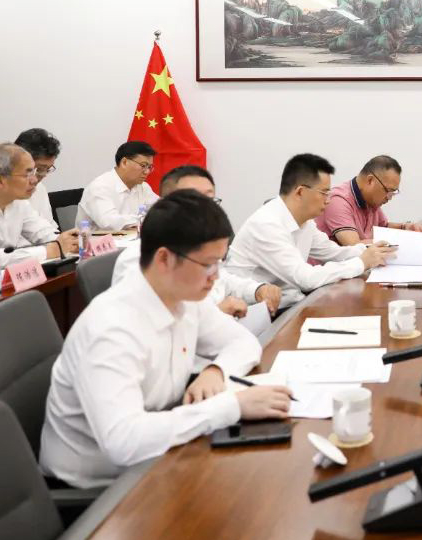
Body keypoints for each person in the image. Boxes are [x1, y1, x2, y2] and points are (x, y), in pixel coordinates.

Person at [40, 191, 293, 489]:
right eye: (207, 265)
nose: (215, 277)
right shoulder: (111, 329)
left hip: (157, 453)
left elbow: (243, 343)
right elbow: (124, 441)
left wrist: (216, 371)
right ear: (164, 259)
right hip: (98, 489)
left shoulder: (183, 298)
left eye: (219, 263)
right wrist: (230, 407)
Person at [226, 154, 394, 307]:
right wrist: (361, 262)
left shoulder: (305, 223)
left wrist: (371, 251)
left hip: (291, 303)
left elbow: (334, 252)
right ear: (300, 192)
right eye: (324, 193)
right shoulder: (267, 225)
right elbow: (305, 278)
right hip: (255, 315)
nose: (328, 200)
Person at [112, 165, 282, 316]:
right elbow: (151, 323)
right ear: (166, 205)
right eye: (194, 200)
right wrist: (216, 314)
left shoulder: (202, 246)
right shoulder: (141, 259)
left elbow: (223, 280)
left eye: (210, 200)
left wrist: (257, 290)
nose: (206, 209)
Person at [316, 155, 422, 245]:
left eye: (393, 192)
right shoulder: (338, 201)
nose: (389, 197)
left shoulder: (371, 201)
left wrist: (405, 227)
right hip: (334, 265)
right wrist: (404, 240)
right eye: (388, 190)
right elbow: (354, 247)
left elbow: (383, 227)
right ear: (370, 180)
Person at [0, 144, 78, 268]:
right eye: (26, 174)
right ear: (1, 180)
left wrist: (70, 241)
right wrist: (48, 251)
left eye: (34, 172)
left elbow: (41, 231)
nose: (35, 180)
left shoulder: (19, 203)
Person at [76, 141, 159, 231]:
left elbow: (161, 209)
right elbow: (109, 222)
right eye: (143, 165)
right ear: (124, 162)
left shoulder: (143, 187)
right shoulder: (99, 187)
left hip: (132, 238)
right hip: (95, 239)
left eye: (150, 167)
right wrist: (145, 219)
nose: (147, 172)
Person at [13, 127, 61, 231]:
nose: (44, 175)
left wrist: (61, 239)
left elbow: (49, 227)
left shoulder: (40, 189)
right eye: (39, 169)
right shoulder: (6, 193)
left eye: (48, 169)